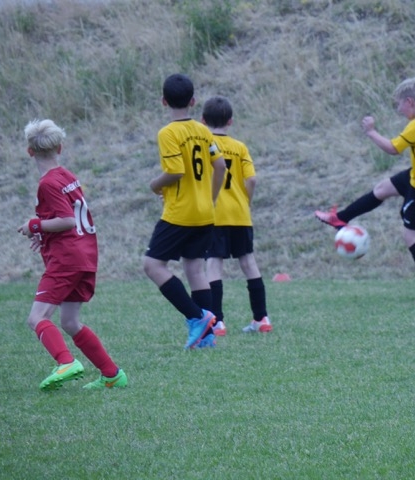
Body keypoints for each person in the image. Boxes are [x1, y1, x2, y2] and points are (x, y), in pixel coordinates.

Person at [316, 77, 415, 304]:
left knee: (411, 235)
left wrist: (371, 132)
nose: (399, 109)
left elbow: (392, 149)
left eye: (399, 104)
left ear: (409, 102)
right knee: (382, 189)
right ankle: (340, 218)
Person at [18, 119, 128, 390]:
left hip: (66, 259)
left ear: (29, 151)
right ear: (60, 148)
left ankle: (65, 362)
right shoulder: (66, 176)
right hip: (84, 255)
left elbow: (66, 220)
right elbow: (67, 218)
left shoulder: (47, 183)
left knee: (36, 318)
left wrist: (34, 226)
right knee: (69, 321)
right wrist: (44, 234)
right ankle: (112, 375)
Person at [143, 73, 227, 349]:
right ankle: (207, 337)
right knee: (195, 269)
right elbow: (220, 166)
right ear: (193, 101)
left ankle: (197, 317)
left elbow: (175, 171)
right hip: (205, 213)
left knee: (153, 265)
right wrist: (210, 198)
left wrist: (155, 185)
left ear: (163, 101)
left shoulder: (168, 133)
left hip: (180, 213)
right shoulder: (203, 130)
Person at [200, 95, 272, 334]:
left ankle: (217, 321)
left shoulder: (204, 146)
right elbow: (252, 180)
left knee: (213, 265)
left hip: (214, 214)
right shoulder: (240, 147)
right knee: (249, 263)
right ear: (230, 121)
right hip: (240, 214)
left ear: (202, 120)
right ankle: (261, 318)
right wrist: (245, 202)